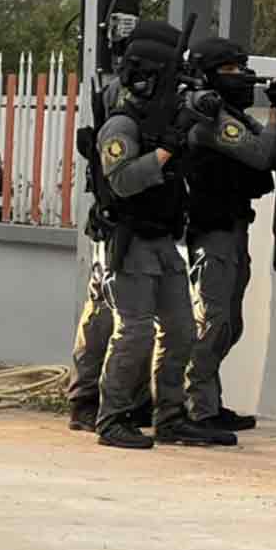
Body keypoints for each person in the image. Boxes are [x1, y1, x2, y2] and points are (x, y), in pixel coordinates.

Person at [94, 21, 234, 450]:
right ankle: (111, 418)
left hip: (163, 240)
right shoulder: (121, 125)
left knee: (181, 331)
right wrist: (165, 150)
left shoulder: (166, 119)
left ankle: (171, 417)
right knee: (134, 332)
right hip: (131, 241)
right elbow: (122, 181)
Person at [65, 25, 177, 433]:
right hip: (123, 230)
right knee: (121, 325)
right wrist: (166, 150)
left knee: (109, 319)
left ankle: (134, 406)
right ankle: (99, 407)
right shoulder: (122, 110)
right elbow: (123, 178)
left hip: (151, 228)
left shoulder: (152, 103)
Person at [181, 37, 276, 431]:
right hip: (213, 232)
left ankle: (206, 402)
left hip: (232, 229)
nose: (240, 76)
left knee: (228, 324)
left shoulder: (225, 111)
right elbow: (261, 155)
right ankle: (194, 407)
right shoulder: (208, 118)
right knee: (215, 321)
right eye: (231, 70)